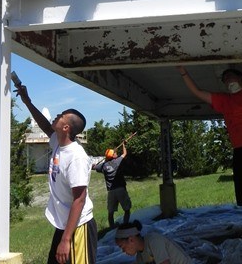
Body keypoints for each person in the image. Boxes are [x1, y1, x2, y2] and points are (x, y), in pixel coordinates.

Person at [16, 84, 97, 264]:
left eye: (61, 116)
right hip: (65, 225)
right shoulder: (58, 144)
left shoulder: (76, 157)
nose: (57, 116)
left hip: (78, 227)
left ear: (66, 127)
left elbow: (79, 199)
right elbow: (44, 125)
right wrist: (26, 101)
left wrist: (66, 239)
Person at [177, 65, 242, 207]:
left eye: (230, 76)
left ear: (239, 78)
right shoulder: (225, 100)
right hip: (239, 150)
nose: (227, 80)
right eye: (224, 80)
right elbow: (197, 92)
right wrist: (183, 72)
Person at [115, 220, 192, 264]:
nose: (123, 251)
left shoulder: (154, 240)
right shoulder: (140, 257)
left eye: (123, 247)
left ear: (131, 240)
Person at [93, 142, 131, 228]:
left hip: (111, 191)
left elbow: (94, 167)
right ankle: (125, 226)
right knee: (127, 209)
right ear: (112, 156)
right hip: (121, 189)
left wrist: (95, 165)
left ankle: (112, 228)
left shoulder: (103, 166)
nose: (116, 153)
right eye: (114, 153)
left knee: (110, 212)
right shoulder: (117, 162)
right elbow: (124, 153)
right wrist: (124, 145)